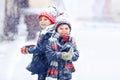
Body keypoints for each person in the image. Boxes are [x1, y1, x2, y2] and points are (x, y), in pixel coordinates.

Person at [21, 5, 59, 80]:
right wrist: (31, 46)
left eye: (45, 19)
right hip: (44, 63)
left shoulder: (48, 33)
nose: (42, 21)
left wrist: (28, 50)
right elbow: (42, 45)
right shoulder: (45, 31)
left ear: (51, 21)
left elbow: (41, 48)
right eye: (41, 19)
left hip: (45, 63)